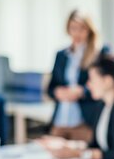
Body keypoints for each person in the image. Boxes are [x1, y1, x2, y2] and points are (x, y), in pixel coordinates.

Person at [42, 55, 114, 159]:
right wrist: (67, 145)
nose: (88, 85)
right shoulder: (102, 106)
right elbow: (95, 144)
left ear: (107, 81)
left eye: (91, 79)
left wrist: (78, 154)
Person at [46, 10, 107, 142]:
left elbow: (106, 85)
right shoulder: (61, 55)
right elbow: (50, 88)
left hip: (84, 122)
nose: (77, 33)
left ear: (89, 30)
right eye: (73, 28)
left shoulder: (99, 53)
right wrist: (57, 92)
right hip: (60, 121)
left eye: (82, 29)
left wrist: (81, 91)